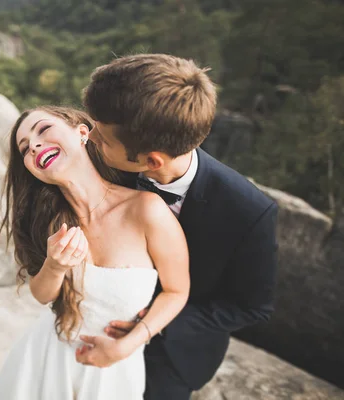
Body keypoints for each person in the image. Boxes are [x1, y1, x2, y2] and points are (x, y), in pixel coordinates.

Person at [81, 53, 279, 399]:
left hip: (173, 353)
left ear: (151, 161)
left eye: (102, 136)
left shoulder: (248, 211)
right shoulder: (104, 159)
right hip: (94, 321)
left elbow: (251, 306)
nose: (89, 135)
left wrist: (149, 325)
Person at [0, 106, 190, 400]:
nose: (34, 145)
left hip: (114, 370)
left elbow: (177, 291)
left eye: (43, 130)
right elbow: (42, 295)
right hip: (45, 358)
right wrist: (54, 266)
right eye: (25, 148)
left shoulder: (146, 209)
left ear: (82, 133)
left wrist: (130, 343)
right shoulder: (47, 221)